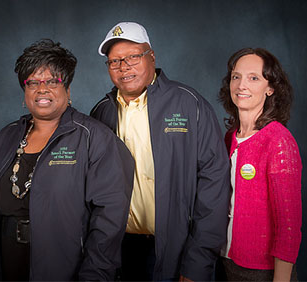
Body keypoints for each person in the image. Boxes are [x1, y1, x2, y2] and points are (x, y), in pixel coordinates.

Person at [90, 22, 230, 281]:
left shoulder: (190, 104)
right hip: (121, 250)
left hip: (179, 249)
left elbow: (214, 186)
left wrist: (197, 262)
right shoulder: (101, 112)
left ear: (151, 56)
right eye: (114, 61)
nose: (124, 67)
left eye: (133, 56)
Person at [0, 39, 134, 281]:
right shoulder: (7, 135)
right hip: (8, 266)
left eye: (52, 81)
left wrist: (93, 276)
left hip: (67, 269)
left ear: (67, 89)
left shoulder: (94, 138)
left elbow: (109, 223)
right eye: (33, 82)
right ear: (25, 92)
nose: (42, 89)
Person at [216, 47, 302, 281]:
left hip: (262, 271)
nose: (242, 85)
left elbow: (289, 226)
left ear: (270, 88)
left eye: (254, 78)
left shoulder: (279, 141)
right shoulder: (228, 138)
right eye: (236, 76)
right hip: (224, 261)